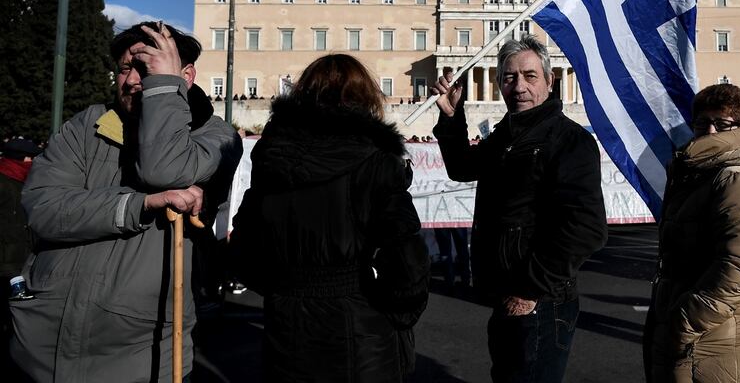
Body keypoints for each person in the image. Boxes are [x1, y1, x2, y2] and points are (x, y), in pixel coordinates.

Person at [10, 21, 242, 381]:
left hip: (140, 354)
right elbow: (44, 210)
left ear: (186, 74)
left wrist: (165, 86)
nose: (134, 80)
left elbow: (165, 171)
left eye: (148, 68)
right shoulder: (88, 124)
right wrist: (139, 204)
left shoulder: (216, 136)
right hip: (39, 348)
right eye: (125, 68)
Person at [230, 53, 430, 381]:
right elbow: (409, 262)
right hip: (362, 331)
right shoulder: (376, 162)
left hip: (287, 328)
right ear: (365, 100)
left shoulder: (271, 160)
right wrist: (396, 314)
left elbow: (243, 249)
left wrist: (286, 290)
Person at [431, 35, 607, 383]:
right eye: (510, 77)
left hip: (539, 298)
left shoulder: (569, 139)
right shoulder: (508, 135)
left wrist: (530, 290)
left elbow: (585, 228)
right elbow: (464, 168)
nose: (519, 86)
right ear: (498, 84)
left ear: (549, 80)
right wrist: (453, 118)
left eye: (529, 76)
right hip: (507, 290)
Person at [644, 84, 740, 383]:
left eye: (722, 124)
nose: (710, 131)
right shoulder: (700, 171)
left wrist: (684, 321)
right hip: (704, 331)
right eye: (702, 123)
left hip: (722, 335)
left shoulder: (739, 177)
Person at [1, 138, 41, 375]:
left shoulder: (23, 182)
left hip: (19, 262)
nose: (33, 163)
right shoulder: (6, 183)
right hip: (7, 263)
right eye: (30, 159)